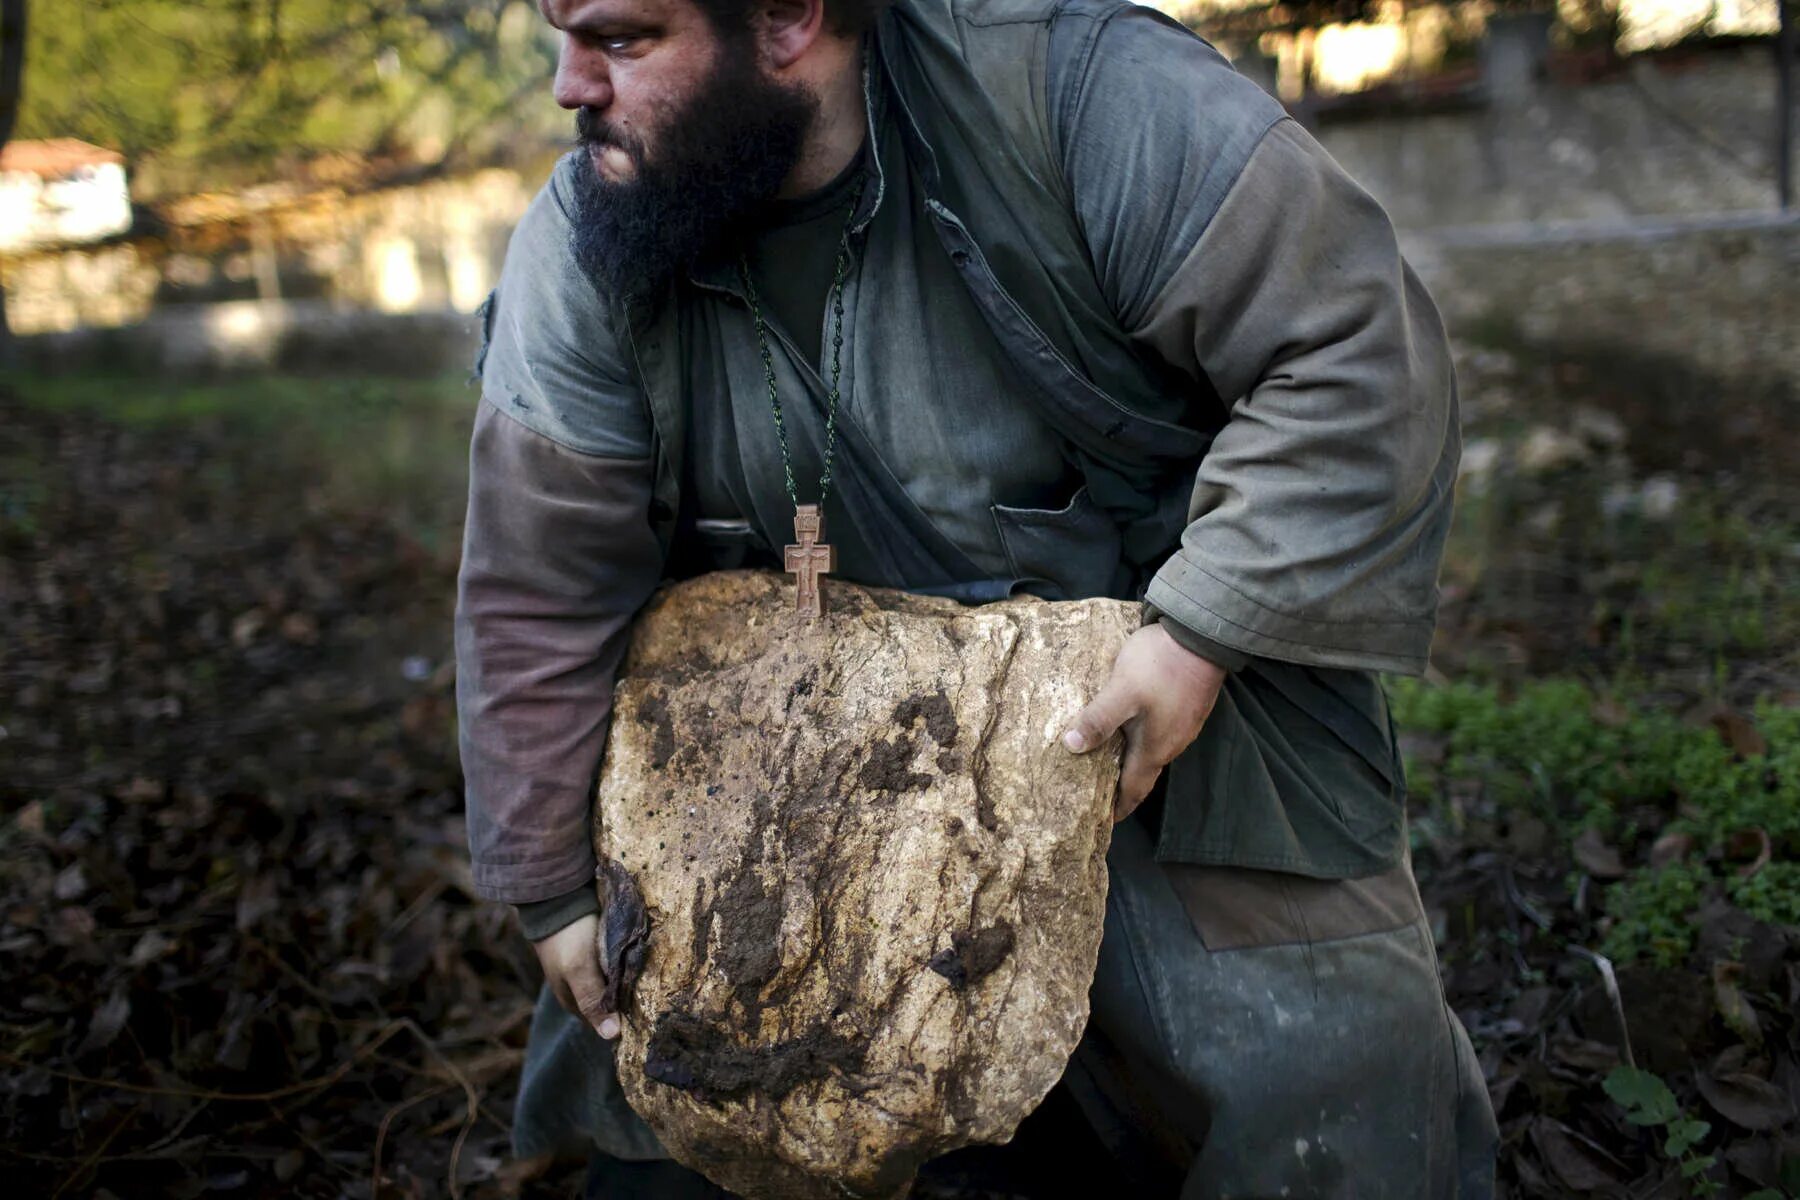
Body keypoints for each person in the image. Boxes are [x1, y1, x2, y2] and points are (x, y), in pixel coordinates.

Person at [454, 0, 1500, 1193]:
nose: (567, 85)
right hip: (771, 760)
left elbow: (1355, 355)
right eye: (560, 33)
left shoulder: (1085, 96)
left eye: (621, 39)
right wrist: (550, 888)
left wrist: (1203, 633)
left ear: (792, 16)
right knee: (669, 1109)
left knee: (1328, 1096)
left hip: (1143, 707)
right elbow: (536, 581)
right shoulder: (597, 222)